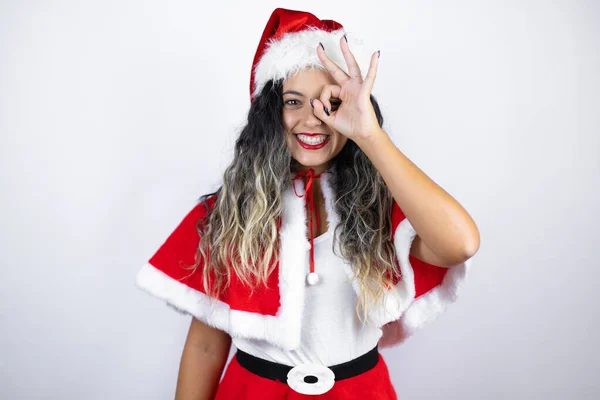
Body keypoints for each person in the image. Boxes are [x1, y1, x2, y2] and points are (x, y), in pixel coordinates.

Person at [135, 7, 480, 400]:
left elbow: (461, 244)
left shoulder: (381, 208)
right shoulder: (231, 211)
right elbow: (205, 346)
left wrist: (370, 135)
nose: (312, 120)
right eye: (294, 102)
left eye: (329, 103)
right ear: (270, 114)